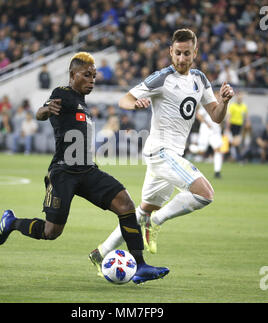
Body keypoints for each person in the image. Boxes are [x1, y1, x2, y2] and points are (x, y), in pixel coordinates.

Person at [0, 52, 169, 284]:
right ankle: (12, 222)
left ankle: (140, 266)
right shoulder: (63, 94)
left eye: (94, 76)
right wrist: (46, 110)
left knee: (126, 205)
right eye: (87, 75)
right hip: (63, 172)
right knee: (51, 232)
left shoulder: (83, 104)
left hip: (87, 171)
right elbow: (41, 112)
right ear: (72, 75)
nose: (92, 80)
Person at [89, 28, 234, 261]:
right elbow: (124, 99)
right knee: (206, 194)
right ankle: (156, 222)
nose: (181, 59)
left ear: (194, 53)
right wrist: (135, 105)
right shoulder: (162, 78)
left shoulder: (200, 79)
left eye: (186, 54)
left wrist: (224, 101)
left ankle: (101, 252)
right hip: (160, 151)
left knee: (142, 211)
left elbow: (216, 116)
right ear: (170, 51)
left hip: (173, 155)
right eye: (177, 53)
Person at [189, 102, 223, 178]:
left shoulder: (221, 105)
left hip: (215, 132)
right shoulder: (209, 104)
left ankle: (217, 172)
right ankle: (191, 148)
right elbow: (198, 115)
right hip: (205, 130)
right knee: (201, 151)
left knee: (218, 150)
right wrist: (206, 123)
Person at [226, 91, 248, 161]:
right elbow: (229, 116)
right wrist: (228, 127)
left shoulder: (244, 106)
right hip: (233, 125)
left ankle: (234, 157)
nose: (240, 98)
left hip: (240, 126)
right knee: (234, 142)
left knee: (236, 142)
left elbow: (246, 117)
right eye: (239, 96)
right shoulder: (232, 105)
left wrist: (247, 125)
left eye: (241, 96)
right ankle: (236, 157)